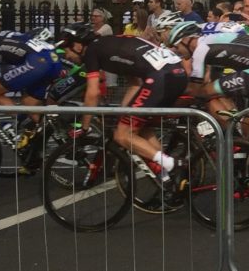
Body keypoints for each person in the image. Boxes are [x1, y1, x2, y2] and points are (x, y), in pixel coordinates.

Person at [58, 23, 190, 195]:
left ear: (77, 45)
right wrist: (123, 113)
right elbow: (134, 84)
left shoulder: (92, 51)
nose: (66, 56)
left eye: (66, 50)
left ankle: (171, 164)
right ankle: (168, 179)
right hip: (176, 74)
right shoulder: (112, 44)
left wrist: (84, 127)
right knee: (140, 127)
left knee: (122, 135)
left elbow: (92, 93)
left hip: (161, 77)